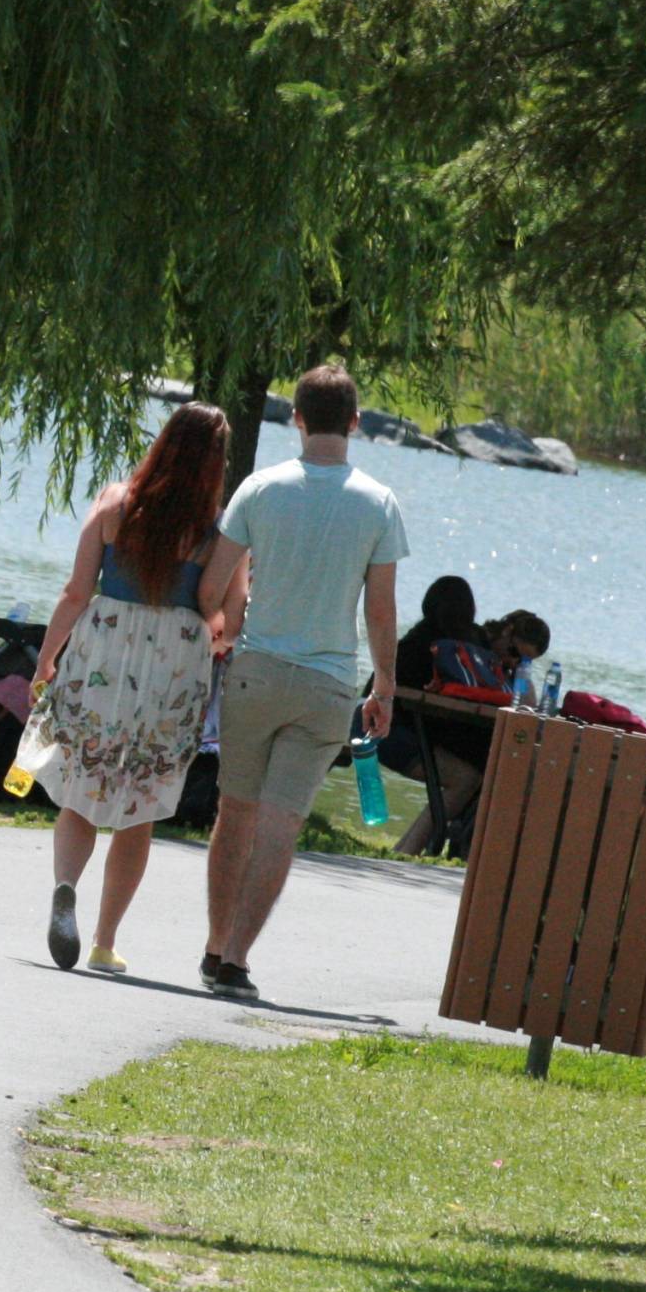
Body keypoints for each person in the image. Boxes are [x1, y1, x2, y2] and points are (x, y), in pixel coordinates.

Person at [194, 364, 408, 1001]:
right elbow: (380, 612)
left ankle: (213, 947)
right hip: (328, 685)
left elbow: (213, 586)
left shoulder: (259, 489)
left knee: (235, 811)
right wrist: (385, 689)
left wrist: (226, 630)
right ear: (355, 422)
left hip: (255, 673)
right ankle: (237, 959)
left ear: (297, 418)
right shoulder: (379, 503)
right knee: (281, 823)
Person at [17, 403, 244, 976]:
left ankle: (66, 885)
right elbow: (222, 613)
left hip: (103, 648)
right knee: (141, 805)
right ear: (216, 463)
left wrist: (46, 659)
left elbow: (76, 591)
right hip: (174, 664)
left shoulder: (114, 503)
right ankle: (104, 941)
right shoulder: (221, 529)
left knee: (82, 786)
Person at [382, 574, 494, 856]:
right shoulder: (470, 646)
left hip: (389, 729)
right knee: (467, 777)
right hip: (399, 734)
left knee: (473, 773)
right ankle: (408, 850)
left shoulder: (416, 640)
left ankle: (408, 849)